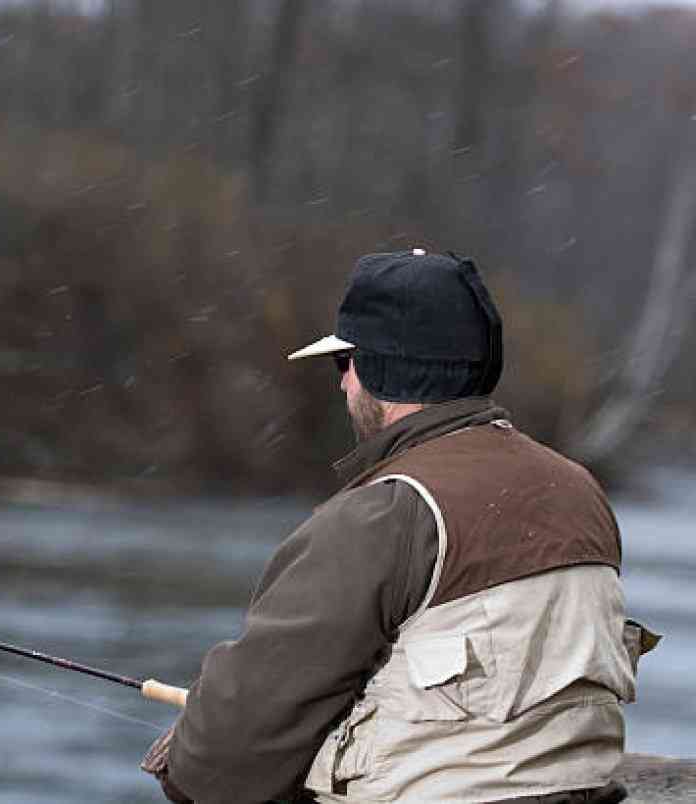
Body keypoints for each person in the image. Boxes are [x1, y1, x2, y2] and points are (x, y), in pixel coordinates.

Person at [140, 250, 657, 803]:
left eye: (344, 364)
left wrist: (187, 751)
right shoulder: (581, 491)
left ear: (377, 368)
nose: (342, 385)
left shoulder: (383, 513)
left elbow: (219, 766)